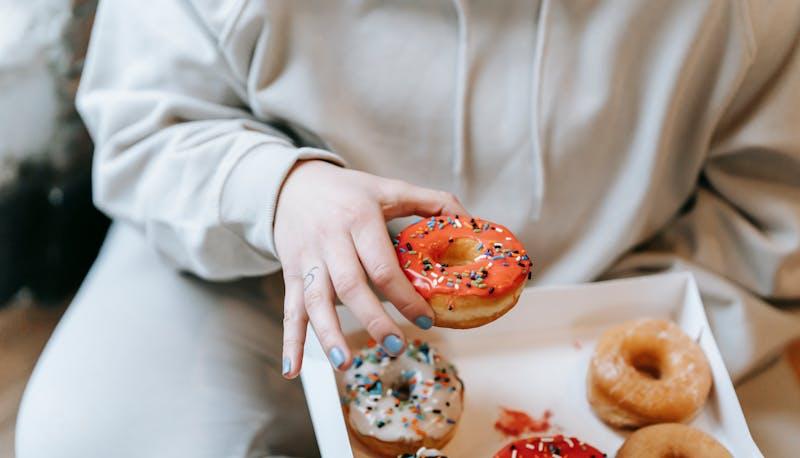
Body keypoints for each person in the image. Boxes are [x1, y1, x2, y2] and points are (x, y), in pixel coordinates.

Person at [16, 1, 800, 457]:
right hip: (255, 275)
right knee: (90, 434)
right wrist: (279, 189)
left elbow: (771, 210)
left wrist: (606, 335)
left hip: (616, 287)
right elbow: (149, 125)